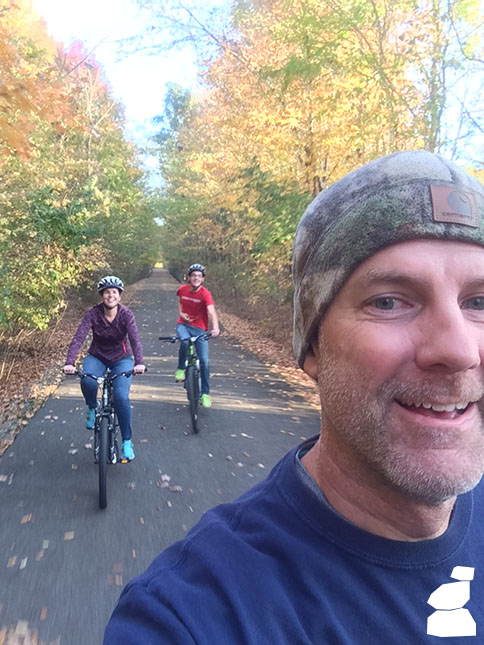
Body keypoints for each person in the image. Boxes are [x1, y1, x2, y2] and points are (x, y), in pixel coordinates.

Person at [104, 151, 484, 643]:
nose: (456, 350)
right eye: (388, 301)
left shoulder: (206, 293)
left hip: (204, 331)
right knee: (184, 344)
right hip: (184, 329)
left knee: (201, 350)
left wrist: (212, 329)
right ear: (312, 348)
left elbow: (212, 317)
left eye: (479, 301)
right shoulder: (192, 616)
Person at [63, 275, 145, 461]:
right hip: (97, 356)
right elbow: (78, 338)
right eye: (107, 292)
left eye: (114, 292)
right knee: (88, 380)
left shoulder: (126, 315)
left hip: (121, 359)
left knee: (121, 397)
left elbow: (134, 339)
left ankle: (126, 441)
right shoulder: (93, 314)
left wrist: (139, 362)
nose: (111, 296)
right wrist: (70, 362)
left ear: (119, 296)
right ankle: (92, 407)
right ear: (102, 295)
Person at [174, 263, 220, 408]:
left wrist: (215, 327)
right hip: (183, 325)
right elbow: (180, 303)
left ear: (203, 279)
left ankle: (205, 394)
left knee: (205, 362)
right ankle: (181, 368)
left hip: (200, 329)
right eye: (193, 275)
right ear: (189, 277)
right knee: (185, 342)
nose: (196, 278)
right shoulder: (182, 289)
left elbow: (211, 311)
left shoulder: (205, 294)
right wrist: (181, 314)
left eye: (199, 276)